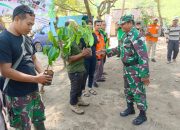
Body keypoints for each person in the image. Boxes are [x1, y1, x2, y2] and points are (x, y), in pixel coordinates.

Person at [0, 5, 53, 130]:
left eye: (32, 25)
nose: (30, 28)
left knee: (39, 121)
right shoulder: (4, 40)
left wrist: (43, 73)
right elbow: (6, 71)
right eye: (28, 24)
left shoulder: (26, 38)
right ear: (17, 19)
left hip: (33, 91)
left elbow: (34, 59)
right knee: (24, 127)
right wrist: (35, 79)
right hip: (17, 96)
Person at [106, 14, 150, 125]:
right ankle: (130, 108)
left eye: (123, 23)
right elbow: (120, 49)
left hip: (135, 69)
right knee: (128, 90)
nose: (121, 25)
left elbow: (143, 56)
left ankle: (142, 115)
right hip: (127, 68)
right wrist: (106, 51)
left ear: (130, 23)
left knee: (138, 91)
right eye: (120, 24)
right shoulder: (125, 35)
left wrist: (145, 75)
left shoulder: (136, 36)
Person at [63, 20, 91, 114]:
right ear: (68, 28)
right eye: (74, 25)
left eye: (76, 25)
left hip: (81, 68)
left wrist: (86, 53)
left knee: (80, 87)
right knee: (75, 88)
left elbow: (82, 53)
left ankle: (79, 100)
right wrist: (82, 54)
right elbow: (68, 59)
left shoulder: (77, 39)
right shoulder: (66, 42)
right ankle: (73, 104)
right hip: (74, 70)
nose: (76, 27)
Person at [81, 20, 98, 97]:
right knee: (85, 73)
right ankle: (83, 89)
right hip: (86, 57)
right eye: (88, 24)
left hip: (93, 56)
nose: (90, 26)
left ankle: (90, 87)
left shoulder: (93, 34)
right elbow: (83, 45)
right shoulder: (82, 35)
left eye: (91, 24)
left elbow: (95, 43)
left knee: (92, 73)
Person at [93, 20, 106, 87]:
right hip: (96, 55)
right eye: (97, 25)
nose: (99, 27)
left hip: (101, 54)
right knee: (95, 69)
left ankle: (98, 78)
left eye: (100, 25)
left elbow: (103, 44)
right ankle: (93, 81)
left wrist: (103, 52)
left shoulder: (101, 34)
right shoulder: (93, 34)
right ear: (94, 26)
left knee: (100, 68)